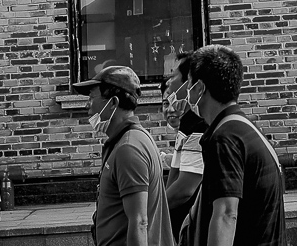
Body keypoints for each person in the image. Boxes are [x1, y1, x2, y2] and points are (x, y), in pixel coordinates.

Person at [182, 44, 285, 246]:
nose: (187, 91)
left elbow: (226, 214)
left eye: (189, 83)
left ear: (200, 87)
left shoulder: (224, 138)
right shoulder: (242, 128)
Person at [76, 65, 174, 246]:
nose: (87, 106)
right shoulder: (129, 140)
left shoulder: (128, 148)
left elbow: (140, 222)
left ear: (113, 103)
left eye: (91, 97)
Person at [161, 55, 205, 236]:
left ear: (189, 83)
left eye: (173, 76)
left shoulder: (199, 126)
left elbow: (185, 189)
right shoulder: (186, 124)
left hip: (194, 228)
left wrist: (152, 211)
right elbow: (175, 176)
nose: (168, 82)